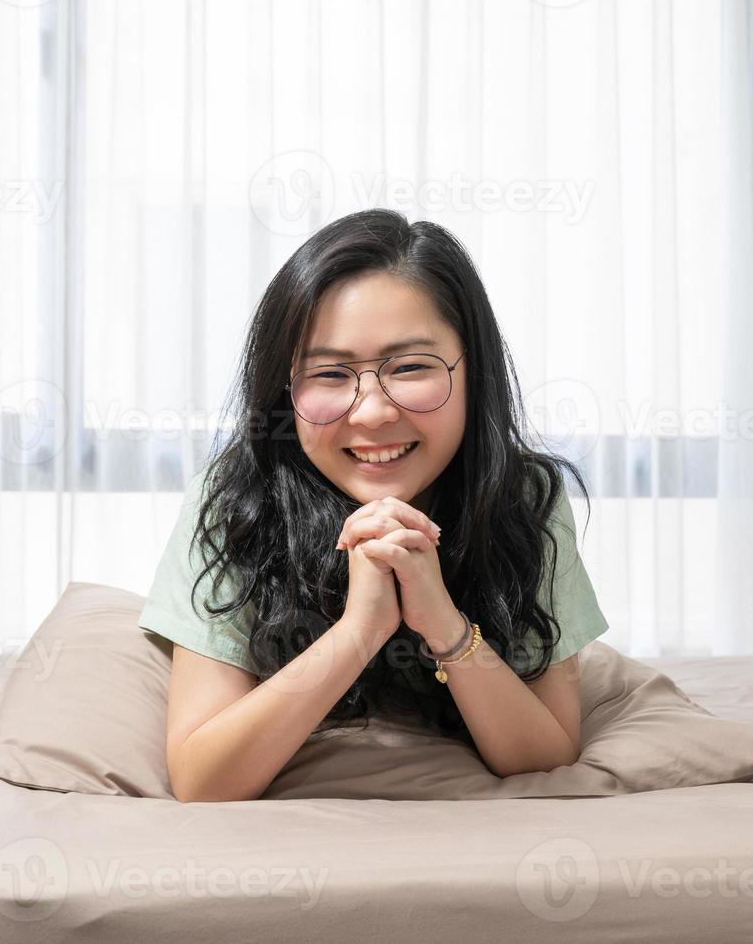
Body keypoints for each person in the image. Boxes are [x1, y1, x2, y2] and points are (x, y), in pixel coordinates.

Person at [137, 208, 609, 802]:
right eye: (330, 374)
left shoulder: (522, 496)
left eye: (410, 367)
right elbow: (204, 779)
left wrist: (442, 623)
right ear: (285, 388)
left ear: (474, 371)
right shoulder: (236, 498)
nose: (372, 412)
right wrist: (360, 630)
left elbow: (545, 754)